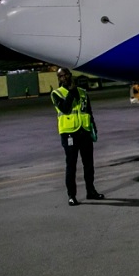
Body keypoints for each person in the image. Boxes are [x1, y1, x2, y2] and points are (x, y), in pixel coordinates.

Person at [52, 67, 104, 206]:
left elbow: (88, 111)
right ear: (59, 79)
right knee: (71, 165)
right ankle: (72, 195)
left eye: (66, 75)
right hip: (69, 133)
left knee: (89, 164)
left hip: (84, 132)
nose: (64, 78)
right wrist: (71, 92)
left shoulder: (83, 92)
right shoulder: (56, 93)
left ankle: (91, 191)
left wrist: (93, 128)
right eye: (61, 76)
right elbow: (65, 109)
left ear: (70, 75)